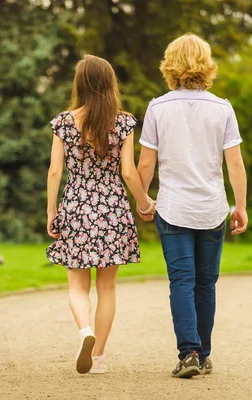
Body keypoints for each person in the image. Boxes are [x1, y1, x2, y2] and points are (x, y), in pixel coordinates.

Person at [136, 33, 248, 378]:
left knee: (181, 281)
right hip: (213, 208)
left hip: (173, 209)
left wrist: (142, 200)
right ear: (207, 65)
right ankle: (204, 353)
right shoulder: (222, 108)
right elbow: (235, 164)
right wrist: (239, 206)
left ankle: (190, 354)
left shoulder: (157, 107)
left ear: (170, 65)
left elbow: (145, 165)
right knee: (206, 283)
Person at [46, 55, 156, 374]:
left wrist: (52, 211)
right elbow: (128, 172)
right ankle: (99, 358)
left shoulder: (64, 122)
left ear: (79, 84)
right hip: (112, 207)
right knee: (107, 288)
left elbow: (55, 171)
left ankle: (85, 332)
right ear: (110, 85)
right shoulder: (122, 123)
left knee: (77, 285)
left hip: (76, 206)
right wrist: (145, 203)